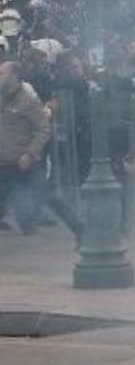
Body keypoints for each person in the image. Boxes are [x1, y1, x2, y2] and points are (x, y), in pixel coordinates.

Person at [0, 61, 81, 239]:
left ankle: (79, 230)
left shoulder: (28, 100)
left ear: (14, 76)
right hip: (3, 164)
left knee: (48, 197)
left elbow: (43, 129)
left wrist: (30, 153)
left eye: (2, 73)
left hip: (23, 163)